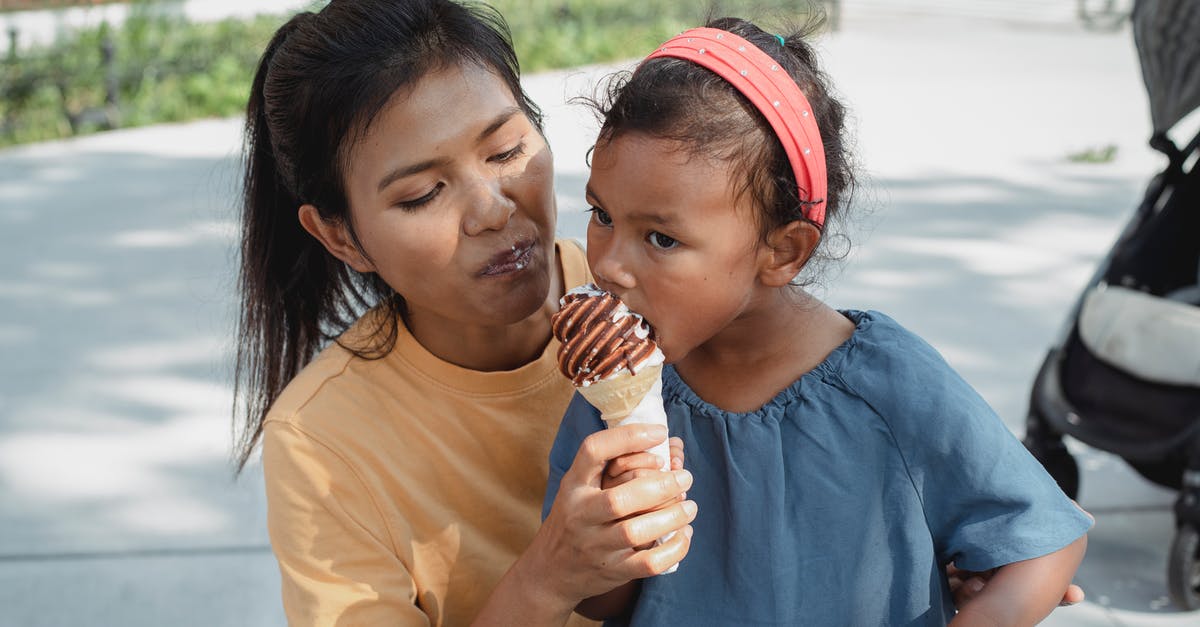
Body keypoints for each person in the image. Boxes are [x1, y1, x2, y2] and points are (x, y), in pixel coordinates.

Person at [543, 15, 1092, 626]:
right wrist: (617, 524)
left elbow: (1044, 541)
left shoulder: (889, 382)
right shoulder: (613, 390)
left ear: (783, 251)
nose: (609, 265)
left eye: (661, 238)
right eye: (601, 215)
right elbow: (596, 601)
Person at [233, 1, 695, 625]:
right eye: (423, 193)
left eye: (505, 151)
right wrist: (549, 577)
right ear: (340, 237)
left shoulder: (657, 289)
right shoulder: (322, 442)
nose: (492, 210)